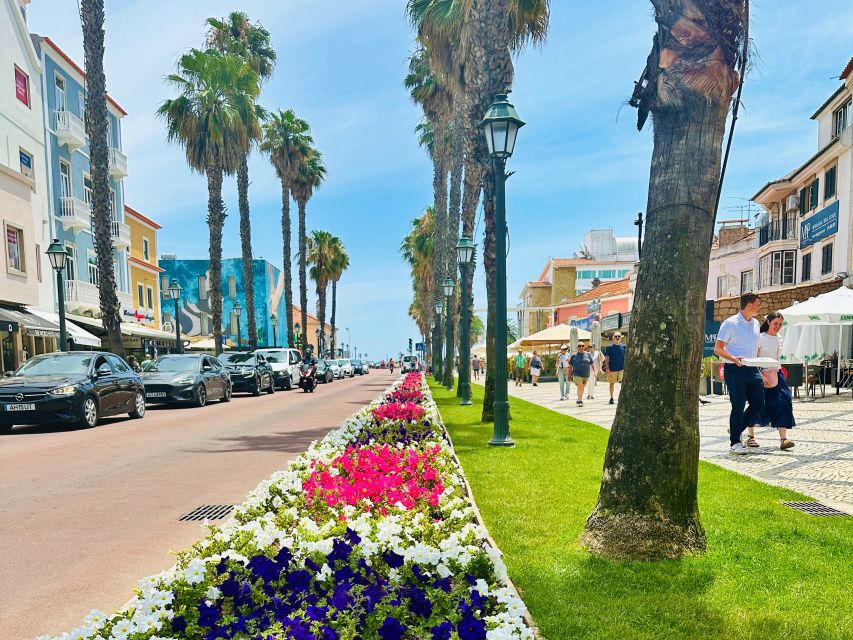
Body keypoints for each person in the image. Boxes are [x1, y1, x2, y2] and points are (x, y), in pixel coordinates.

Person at [714, 292, 765, 455]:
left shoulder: (756, 323)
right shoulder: (730, 324)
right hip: (734, 370)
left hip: (752, 368)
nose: (759, 308)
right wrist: (734, 359)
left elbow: (755, 347)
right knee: (738, 406)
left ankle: (735, 429)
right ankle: (735, 442)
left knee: (759, 403)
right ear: (749, 305)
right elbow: (718, 349)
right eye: (757, 305)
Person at [745, 312, 796, 451]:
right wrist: (759, 375)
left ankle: (783, 439)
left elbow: (777, 357)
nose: (778, 327)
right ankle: (750, 437)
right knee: (757, 404)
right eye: (775, 324)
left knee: (784, 402)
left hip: (776, 374)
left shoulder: (779, 338)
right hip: (760, 374)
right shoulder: (759, 338)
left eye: (780, 324)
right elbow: (752, 357)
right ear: (768, 322)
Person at [603, 332, 627, 405]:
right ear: (613, 337)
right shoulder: (609, 347)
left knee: (623, 384)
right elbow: (606, 358)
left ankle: (623, 398)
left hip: (622, 369)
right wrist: (607, 368)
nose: (617, 338)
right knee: (612, 383)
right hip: (612, 369)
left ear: (621, 337)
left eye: (619, 336)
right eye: (616, 336)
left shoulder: (624, 347)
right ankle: (611, 398)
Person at [568, 342, 593, 407]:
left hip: (586, 374)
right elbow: (570, 366)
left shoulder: (588, 355)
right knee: (580, 385)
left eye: (582, 346)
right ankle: (580, 400)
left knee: (582, 387)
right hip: (576, 373)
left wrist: (595, 372)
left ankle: (579, 398)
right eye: (579, 346)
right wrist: (569, 375)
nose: (581, 347)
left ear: (584, 347)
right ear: (577, 347)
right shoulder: (574, 355)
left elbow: (592, 364)